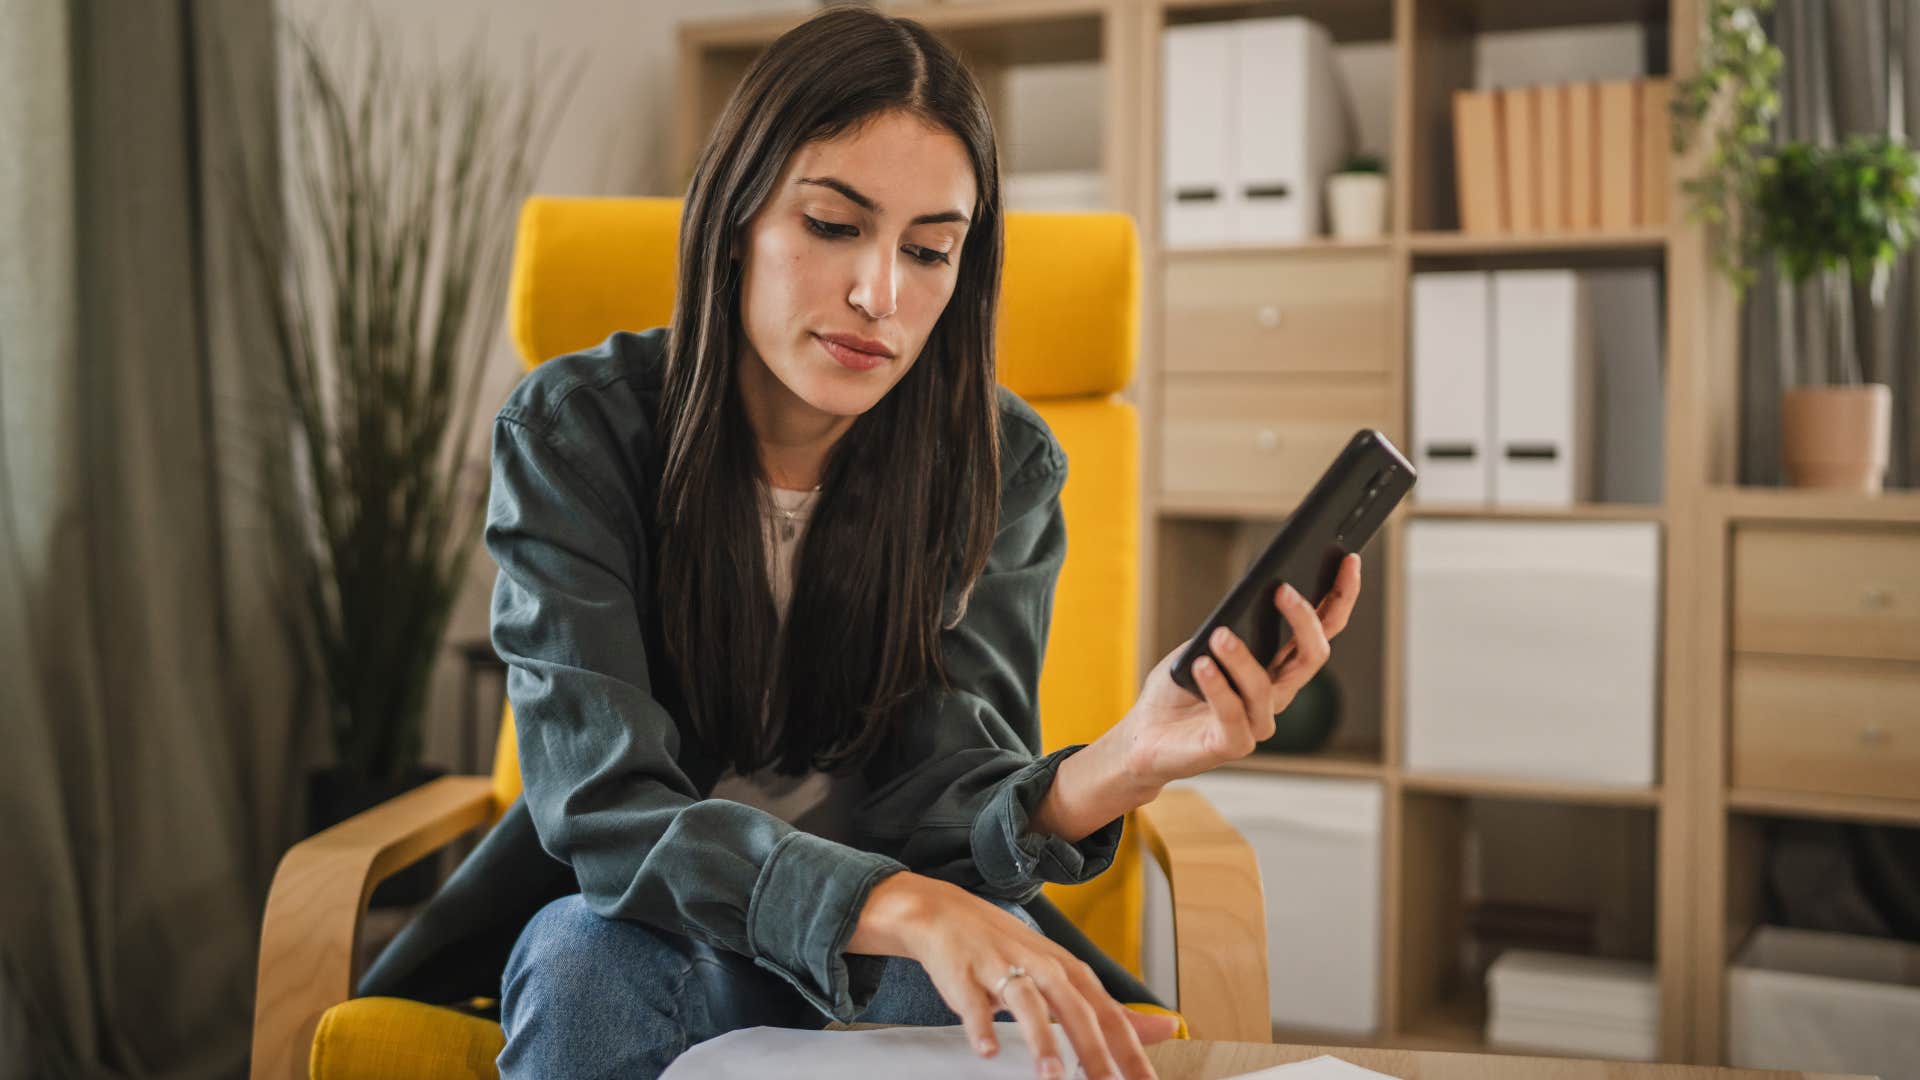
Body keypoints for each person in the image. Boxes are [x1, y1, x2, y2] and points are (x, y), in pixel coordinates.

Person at [482, 5, 1362, 1078]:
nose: (880, 296)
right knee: (581, 962)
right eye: (832, 225)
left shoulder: (999, 464)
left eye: (931, 249)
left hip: (900, 941)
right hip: (656, 932)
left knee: (1006, 972)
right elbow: (605, 807)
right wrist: (894, 904)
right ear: (734, 217)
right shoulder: (574, 433)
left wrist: (1120, 762)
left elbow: (945, 795)